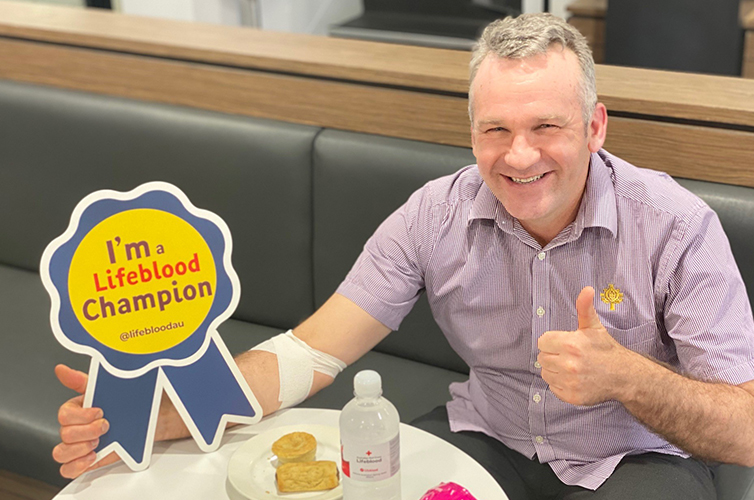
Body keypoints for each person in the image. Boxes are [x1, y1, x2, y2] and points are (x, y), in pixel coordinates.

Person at [52, 13, 754, 499]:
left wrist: (630, 378)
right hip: (491, 435)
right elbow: (308, 355)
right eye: (496, 130)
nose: (519, 155)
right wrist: (146, 419)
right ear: (472, 132)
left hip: (632, 458)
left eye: (547, 127)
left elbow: (746, 430)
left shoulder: (676, 228)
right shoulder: (433, 216)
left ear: (595, 126)